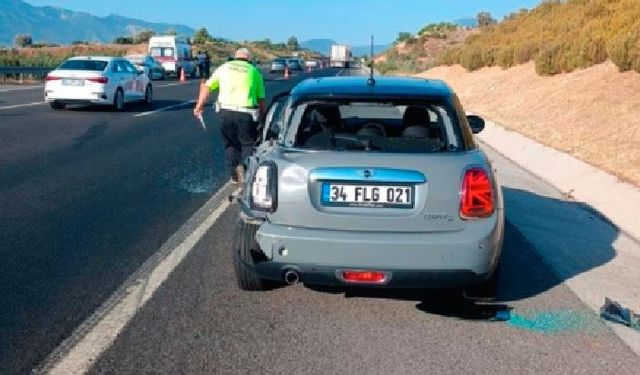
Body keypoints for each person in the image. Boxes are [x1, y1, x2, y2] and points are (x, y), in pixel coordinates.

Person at [193, 48, 266, 184]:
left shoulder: (224, 68)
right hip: (246, 113)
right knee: (247, 144)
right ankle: (243, 167)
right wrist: (264, 116)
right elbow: (261, 99)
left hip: (225, 112)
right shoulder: (255, 72)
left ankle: (233, 176)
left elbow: (207, 87)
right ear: (249, 59)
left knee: (230, 144)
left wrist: (199, 105)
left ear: (235, 57)